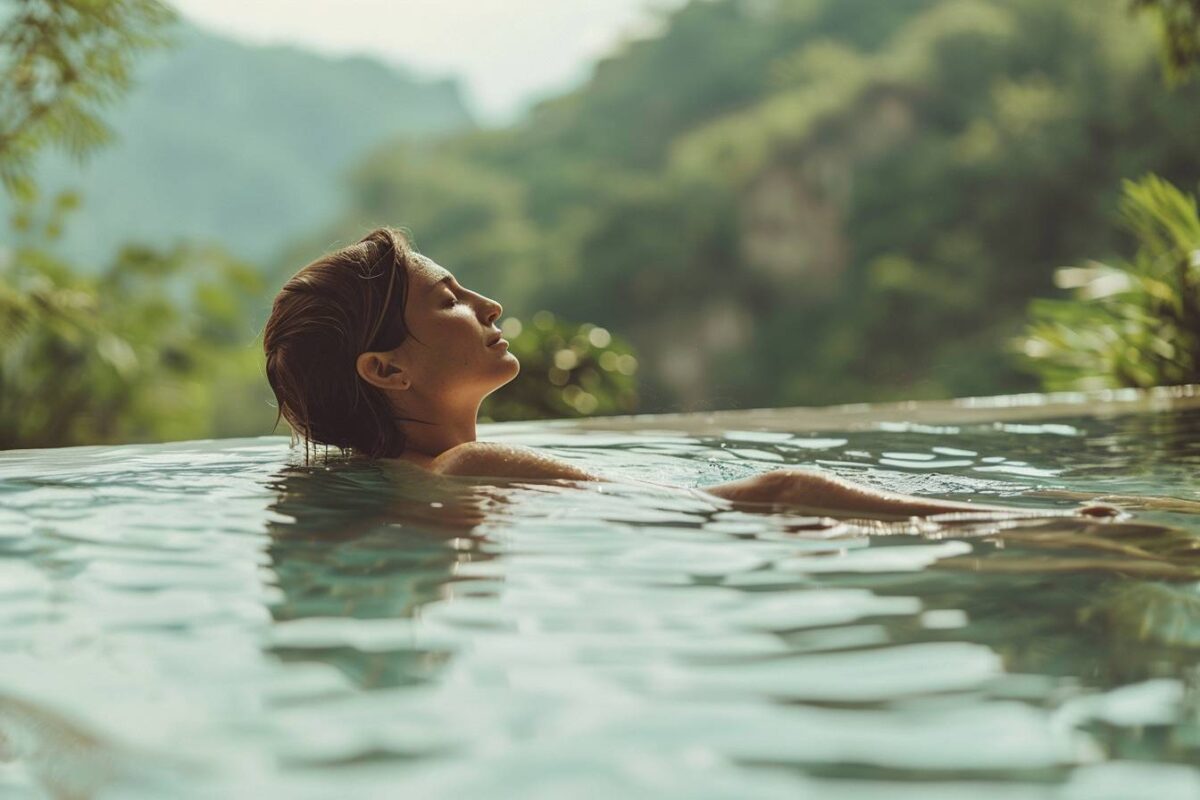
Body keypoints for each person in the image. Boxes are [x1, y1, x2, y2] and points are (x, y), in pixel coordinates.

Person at [262, 227, 1117, 520]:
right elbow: (773, 497)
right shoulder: (467, 467)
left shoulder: (399, 488)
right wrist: (1032, 524)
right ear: (387, 369)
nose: (488, 304)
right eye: (449, 301)